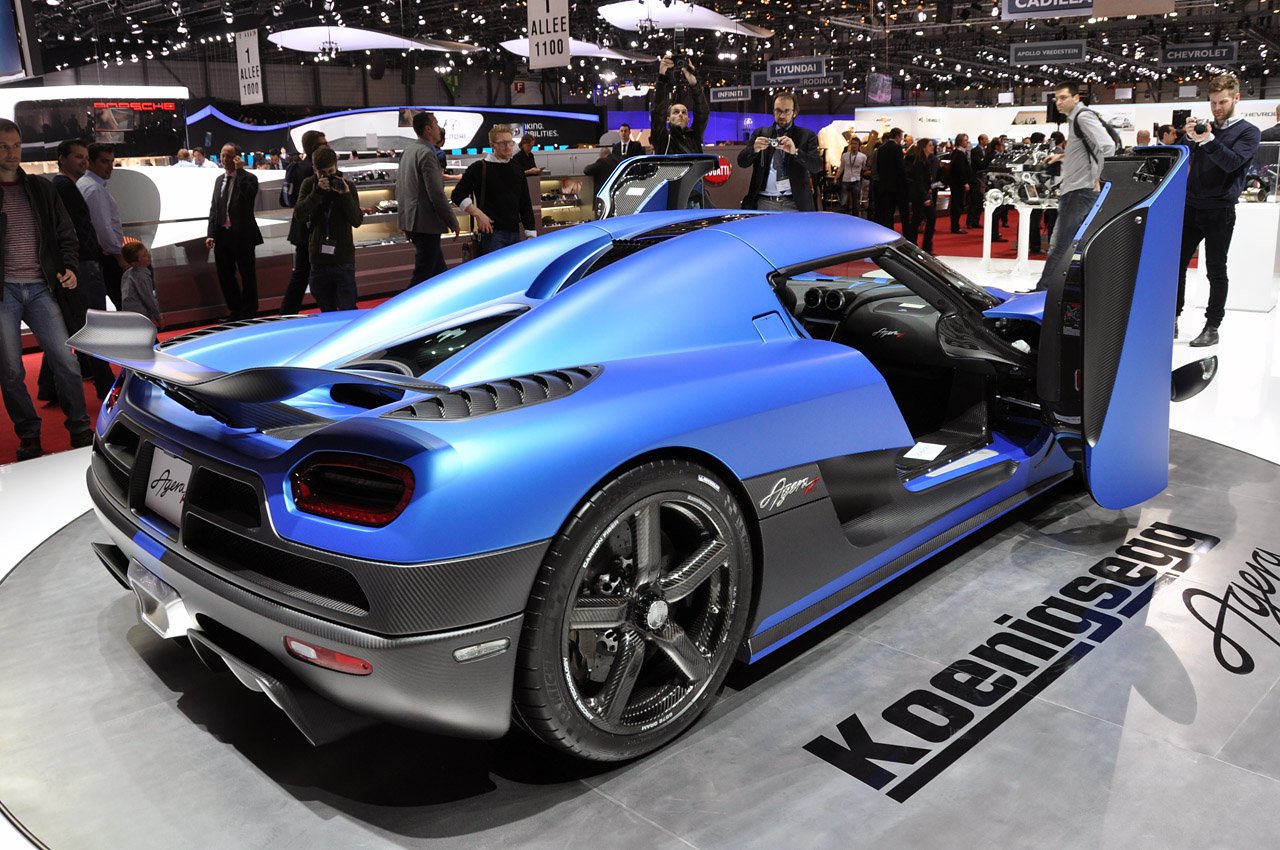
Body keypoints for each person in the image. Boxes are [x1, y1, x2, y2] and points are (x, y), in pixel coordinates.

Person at [0, 118, 92, 461]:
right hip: (4, 292)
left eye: (16, 146)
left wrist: (69, 267)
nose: (12, 153)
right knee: (11, 371)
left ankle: (80, 427)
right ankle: (29, 435)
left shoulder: (40, 188)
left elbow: (66, 232)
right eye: (3, 147)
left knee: (66, 361)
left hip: (42, 288)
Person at [1175, 74, 1261, 347]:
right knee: (1175, 266)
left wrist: (1209, 139)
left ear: (1236, 98)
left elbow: (1231, 162)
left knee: (1215, 270)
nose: (1217, 108)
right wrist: (1189, 137)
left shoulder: (1249, 132)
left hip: (1220, 209)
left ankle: (1212, 326)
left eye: (1222, 102)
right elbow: (1183, 156)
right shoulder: (1206, 129)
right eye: (1213, 102)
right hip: (1191, 205)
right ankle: (1171, 318)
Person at [39, 139, 114, 403]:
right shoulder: (64, 187)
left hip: (80, 265)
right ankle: (105, 385)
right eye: (78, 157)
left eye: (85, 157)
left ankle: (50, 387)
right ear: (62, 158)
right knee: (92, 326)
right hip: (81, 266)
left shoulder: (65, 186)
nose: (83, 161)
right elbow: (70, 231)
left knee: (75, 325)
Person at [1033, 80, 1116, 292]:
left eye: (1063, 98)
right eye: (1056, 98)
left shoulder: (1082, 116)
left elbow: (1107, 146)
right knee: (1070, 243)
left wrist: (1100, 177)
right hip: (1078, 190)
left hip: (1079, 191)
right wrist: (1061, 157)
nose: (1058, 102)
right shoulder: (1075, 119)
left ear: (1076, 98)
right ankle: (1066, 290)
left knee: (1061, 244)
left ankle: (1044, 291)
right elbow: (1086, 149)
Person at [294, 147, 363, 312]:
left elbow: (357, 221)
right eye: (322, 173)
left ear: (336, 166)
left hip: (343, 258)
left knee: (348, 309)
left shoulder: (348, 186)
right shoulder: (309, 184)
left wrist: (345, 195)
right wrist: (317, 193)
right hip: (318, 259)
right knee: (326, 311)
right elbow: (299, 215)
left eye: (331, 171)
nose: (327, 176)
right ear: (314, 169)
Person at [450, 124, 536, 256]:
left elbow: (525, 203)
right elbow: (457, 194)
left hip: (514, 232)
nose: (508, 147)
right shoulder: (479, 168)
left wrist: (530, 233)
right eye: (502, 143)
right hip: (491, 235)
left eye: (510, 142)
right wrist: (478, 214)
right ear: (492, 145)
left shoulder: (517, 168)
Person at [397, 111, 459, 288]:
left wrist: (403, 221)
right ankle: (407, 304)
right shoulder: (426, 154)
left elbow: (400, 188)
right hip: (426, 223)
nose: (440, 128)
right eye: (436, 124)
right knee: (422, 276)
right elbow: (436, 193)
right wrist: (452, 220)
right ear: (428, 129)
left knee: (438, 272)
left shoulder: (409, 151)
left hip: (414, 221)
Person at [204, 143, 263, 320]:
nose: (224, 159)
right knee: (225, 274)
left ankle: (250, 311)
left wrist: (240, 172)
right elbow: (214, 208)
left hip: (243, 235)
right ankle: (235, 310)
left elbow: (249, 196)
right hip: (223, 234)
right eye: (222, 156)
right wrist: (211, 233)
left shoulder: (249, 178)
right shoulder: (219, 180)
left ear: (237, 158)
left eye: (229, 156)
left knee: (247, 274)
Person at [738, 92, 823, 212]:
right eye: (778, 110)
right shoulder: (761, 133)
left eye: (786, 111)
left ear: (794, 112)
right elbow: (741, 162)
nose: (782, 115)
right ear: (773, 111)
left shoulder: (807, 136)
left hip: (795, 204)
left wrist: (796, 152)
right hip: (764, 203)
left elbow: (816, 166)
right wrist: (753, 150)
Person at [279, 129, 328, 315]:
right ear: (315, 147)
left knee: (301, 275)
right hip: (315, 230)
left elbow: (286, 200)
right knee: (311, 275)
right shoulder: (316, 172)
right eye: (324, 143)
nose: (328, 146)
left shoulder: (295, 168)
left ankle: (286, 313)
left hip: (301, 229)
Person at [77, 143, 125, 308]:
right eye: (104, 161)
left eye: (112, 161)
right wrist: (119, 257)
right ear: (90, 162)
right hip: (106, 256)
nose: (110, 167)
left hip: (98, 255)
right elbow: (103, 227)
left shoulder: (86, 184)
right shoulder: (94, 188)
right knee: (124, 302)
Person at [650, 57, 709, 155]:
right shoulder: (662, 137)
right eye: (676, 112)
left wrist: (694, 84)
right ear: (668, 119)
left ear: (688, 120)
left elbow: (702, 113)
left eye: (684, 112)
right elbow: (658, 113)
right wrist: (662, 77)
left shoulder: (694, 136)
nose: (680, 114)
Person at [874, 127, 910, 231]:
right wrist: (905, 183)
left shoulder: (881, 148)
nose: (901, 140)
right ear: (897, 136)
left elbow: (879, 167)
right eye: (901, 137)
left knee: (888, 213)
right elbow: (900, 167)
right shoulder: (897, 147)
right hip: (897, 186)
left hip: (885, 186)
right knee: (904, 213)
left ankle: (889, 233)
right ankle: (907, 234)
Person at [906, 138, 937, 253]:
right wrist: (925, 197)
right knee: (919, 219)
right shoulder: (919, 162)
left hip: (922, 194)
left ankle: (922, 245)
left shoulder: (925, 160)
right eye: (930, 145)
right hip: (919, 195)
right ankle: (915, 245)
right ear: (924, 147)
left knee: (920, 218)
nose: (932, 147)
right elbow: (918, 181)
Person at [120, 242, 162, 328]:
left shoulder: (127, 273)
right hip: (140, 315)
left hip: (128, 313)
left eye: (147, 252)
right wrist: (158, 317)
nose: (149, 256)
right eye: (144, 256)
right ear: (135, 263)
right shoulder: (142, 276)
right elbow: (148, 298)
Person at [948, 133, 974, 234]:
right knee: (957, 205)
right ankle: (955, 227)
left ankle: (955, 225)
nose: (967, 142)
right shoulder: (959, 154)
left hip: (956, 183)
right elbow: (960, 170)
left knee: (957, 204)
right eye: (965, 140)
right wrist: (965, 182)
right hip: (958, 184)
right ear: (960, 141)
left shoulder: (957, 153)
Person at [837, 135, 866, 216]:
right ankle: (841, 218)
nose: (854, 145)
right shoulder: (845, 155)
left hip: (856, 180)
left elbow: (864, 168)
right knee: (843, 202)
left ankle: (855, 219)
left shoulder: (863, 156)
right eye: (852, 144)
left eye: (856, 144)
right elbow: (841, 168)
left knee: (855, 203)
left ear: (859, 145)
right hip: (845, 180)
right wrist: (836, 178)